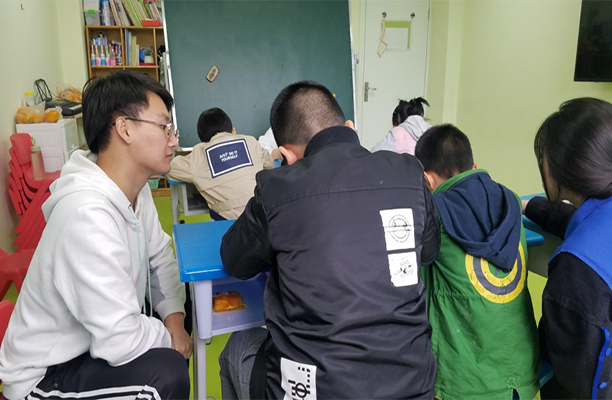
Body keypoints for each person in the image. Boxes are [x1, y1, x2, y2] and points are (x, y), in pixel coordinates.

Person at [218, 81, 440, 400]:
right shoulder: (410, 173)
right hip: (412, 388)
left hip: (317, 389)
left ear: (287, 155)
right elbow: (429, 251)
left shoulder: (277, 188)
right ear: (349, 127)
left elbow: (234, 260)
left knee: (236, 348)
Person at [0, 70, 191, 400]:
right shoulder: (85, 215)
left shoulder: (136, 188)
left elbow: (160, 256)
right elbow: (120, 339)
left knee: (184, 311)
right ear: (124, 128)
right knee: (167, 374)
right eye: (163, 127)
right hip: (46, 374)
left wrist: (174, 319)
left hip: (92, 344)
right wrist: (169, 338)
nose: (172, 140)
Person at [415, 124, 539, 399]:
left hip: (467, 382)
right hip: (521, 376)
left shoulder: (434, 214)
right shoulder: (510, 200)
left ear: (426, 179)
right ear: (473, 166)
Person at [523, 97, 612, 399]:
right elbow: (576, 218)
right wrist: (526, 205)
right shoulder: (601, 213)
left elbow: (576, 380)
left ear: (556, 166)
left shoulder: (574, 269)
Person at [168, 107, 274, 220]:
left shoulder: (200, 153)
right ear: (233, 131)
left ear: (203, 141)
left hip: (230, 221)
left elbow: (169, 168)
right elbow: (270, 164)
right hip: (266, 212)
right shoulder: (251, 141)